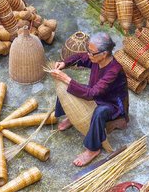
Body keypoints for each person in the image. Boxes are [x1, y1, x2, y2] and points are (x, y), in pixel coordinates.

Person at [49, 32, 129, 167]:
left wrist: (66, 78)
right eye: (89, 51)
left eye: (91, 52)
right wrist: (64, 63)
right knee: (66, 89)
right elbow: (81, 57)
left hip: (112, 104)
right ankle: (71, 115)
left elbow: (92, 93)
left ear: (104, 54)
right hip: (96, 93)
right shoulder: (96, 58)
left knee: (99, 112)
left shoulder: (114, 70)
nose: (88, 55)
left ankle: (93, 149)